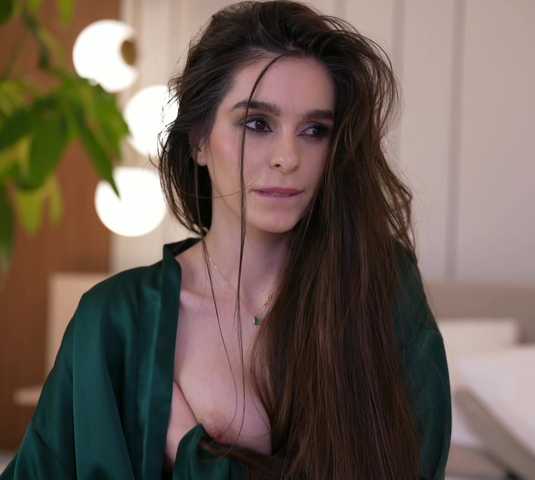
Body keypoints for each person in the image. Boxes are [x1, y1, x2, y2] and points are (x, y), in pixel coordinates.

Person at [1, 1, 451, 478]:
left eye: (314, 130)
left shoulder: (378, 288)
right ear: (198, 139)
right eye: (257, 124)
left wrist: (188, 447)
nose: (288, 157)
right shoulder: (115, 319)